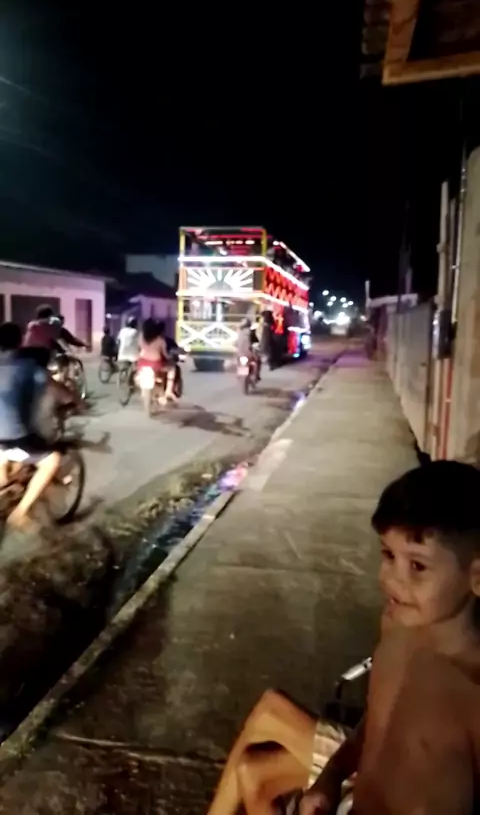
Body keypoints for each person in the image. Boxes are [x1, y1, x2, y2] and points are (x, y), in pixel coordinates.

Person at [207, 461, 480, 815]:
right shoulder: (397, 627)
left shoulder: (471, 697)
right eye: (388, 555)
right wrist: (330, 777)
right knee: (255, 772)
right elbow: (379, 720)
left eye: (418, 566)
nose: (392, 579)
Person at [0, 322, 76, 531]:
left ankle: (5, 481)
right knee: (51, 460)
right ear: (20, 341)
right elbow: (59, 391)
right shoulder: (29, 367)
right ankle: (20, 512)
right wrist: (75, 400)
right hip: (15, 433)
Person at [138, 318, 177, 402]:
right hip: (155, 364)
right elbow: (165, 355)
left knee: (137, 375)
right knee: (172, 369)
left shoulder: (141, 338)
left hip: (142, 362)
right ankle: (168, 391)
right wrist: (170, 357)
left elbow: (139, 348)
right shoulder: (160, 341)